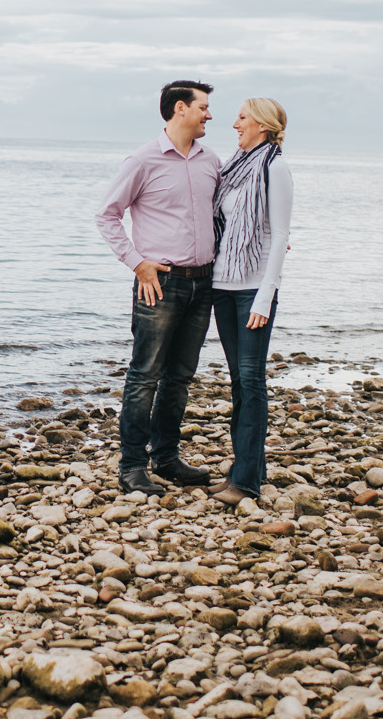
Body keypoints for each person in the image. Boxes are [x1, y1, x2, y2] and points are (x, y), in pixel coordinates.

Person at [94, 80, 222, 495]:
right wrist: (137, 264)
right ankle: (132, 466)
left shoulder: (211, 161)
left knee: (180, 377)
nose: (209, 114)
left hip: (203, 283)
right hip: (159, 285)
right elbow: (107, 216)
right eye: (203, 107)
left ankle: (166, 457)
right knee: (145, 375)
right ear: (180, 109)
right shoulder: (142, 160)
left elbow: (225, 214)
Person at [208, 98, 293, 506]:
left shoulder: (275, 167)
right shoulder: (235, 168)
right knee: (239, 382)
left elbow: (278, 235)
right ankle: (247, 468)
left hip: (252, 290)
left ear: (262, 124)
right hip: (222, 286)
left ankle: (245, 483)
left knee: (252, 381)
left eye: (242, 117)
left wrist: (265, 295)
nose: (235, 124)